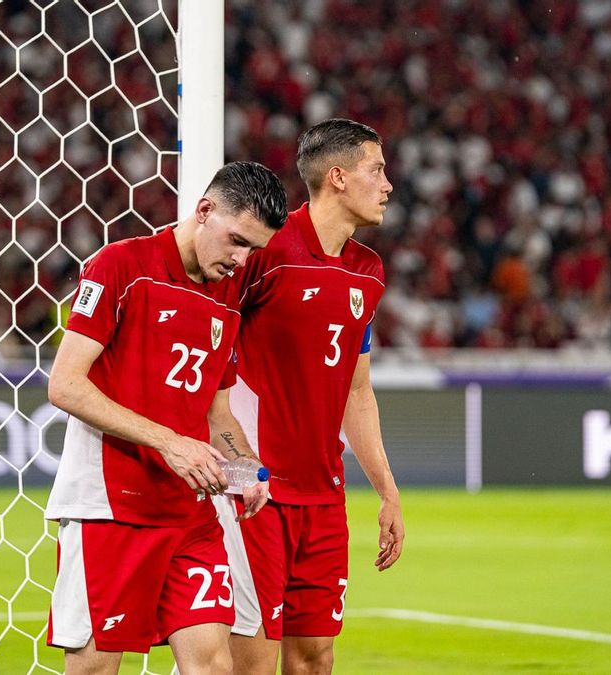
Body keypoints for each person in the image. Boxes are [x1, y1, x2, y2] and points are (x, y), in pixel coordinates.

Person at [44, 161, 287, 675]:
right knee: (94, 666)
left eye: (254, 250)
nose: (241, 260)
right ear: (204, 211)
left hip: (188, 512)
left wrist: (248, 468)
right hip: (112, 506)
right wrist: (170, 443)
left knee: (214, 665)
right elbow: (65, 385)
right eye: (236, 240)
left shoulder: (227, 297)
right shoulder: (120, 266)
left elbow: (217, 412)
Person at [216, 119, 405, 674]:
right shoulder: (268, 249)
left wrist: (387, 492)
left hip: (324, 498)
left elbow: (357, 390)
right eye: (378, 169)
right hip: (256, 491)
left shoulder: (368, 273)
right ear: (339, 177)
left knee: (314, 659)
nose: (388, 184)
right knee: (251, 661)